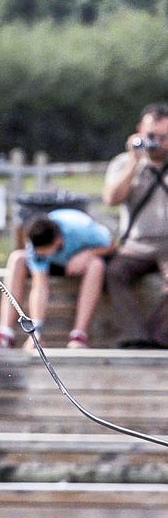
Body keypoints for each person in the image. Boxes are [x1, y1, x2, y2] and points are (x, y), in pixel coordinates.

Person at [0, 208, 113, 351]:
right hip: (55, 264)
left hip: (81, 259)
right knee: (17, 259)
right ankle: (5, 334)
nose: (40, 255)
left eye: (44, 252)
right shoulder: (35, 244)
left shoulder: (82, 229)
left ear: (58, 240)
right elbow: (39, 285)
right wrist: (36, 331)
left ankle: (79, 335)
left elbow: (111, 245)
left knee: (97, 265)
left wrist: (87, 253)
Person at [102, 103, 168, 348]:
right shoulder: (123, 163)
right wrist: (134, 162)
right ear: (140, 130)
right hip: (136, 246)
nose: (157, 143)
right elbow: (111, 199)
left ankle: (160, 338)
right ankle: (134, 336)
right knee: (114, 273)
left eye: (164, 137)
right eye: (152, 136)